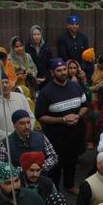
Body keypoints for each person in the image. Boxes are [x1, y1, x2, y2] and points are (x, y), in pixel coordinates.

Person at [36, 58, 88, 194]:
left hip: (75, 134)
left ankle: (69, 185)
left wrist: (78, 116)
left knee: (72, 162)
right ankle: (54, 191)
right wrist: (62, 119)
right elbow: (40, 116)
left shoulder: (76, 86)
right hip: (56, 137)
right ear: (52, 72)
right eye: (59, 70)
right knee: (55, 166)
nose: (63, 72)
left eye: (64, 69)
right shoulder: (46, 92)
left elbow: (84, 106)